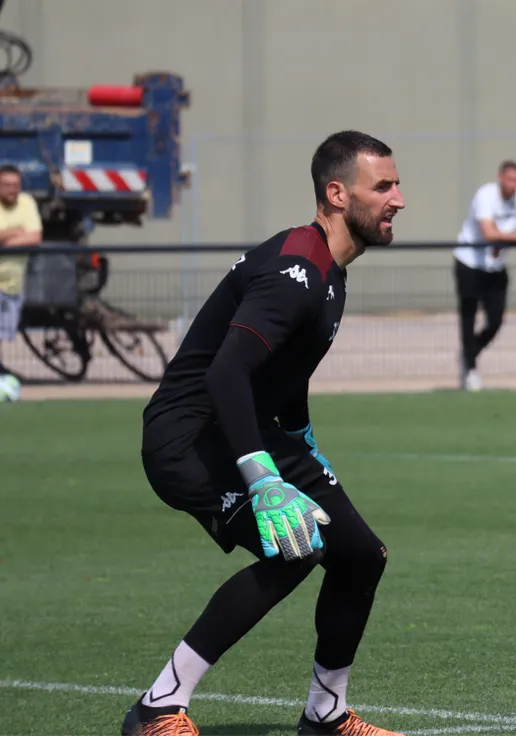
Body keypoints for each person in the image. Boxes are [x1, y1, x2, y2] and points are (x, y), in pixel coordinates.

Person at [124, 131, 406, 736]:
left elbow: (284, 367)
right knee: (295, 547)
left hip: (253, 429)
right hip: (191, 437)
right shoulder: (296, 270)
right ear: (337, 193)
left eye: (396, 184)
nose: (398, 199)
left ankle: (325, 716)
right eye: (382, 186)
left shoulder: (331, 271)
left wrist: (301, 438)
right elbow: (228, 369)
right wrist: (262, 477)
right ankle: (156, 709)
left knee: (360, 556)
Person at [453, 160, 516, 390]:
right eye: (510, 179)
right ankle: (470, 369)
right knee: (468, 317)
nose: (513, 185)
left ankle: (468, 353)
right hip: (469, 263)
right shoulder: (486, 195)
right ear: (500, 178)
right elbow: (488, 232)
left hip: (495, 267)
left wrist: (509, 238)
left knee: (496, 320)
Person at [0, 164, 43, 378]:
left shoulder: (26, 203)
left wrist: (5, 240)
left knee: (4, 333)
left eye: (15, 185)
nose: (12, 190)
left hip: (14, 284)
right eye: (7, 185)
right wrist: (17, 231)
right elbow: (26, 234)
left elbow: (34, 237)